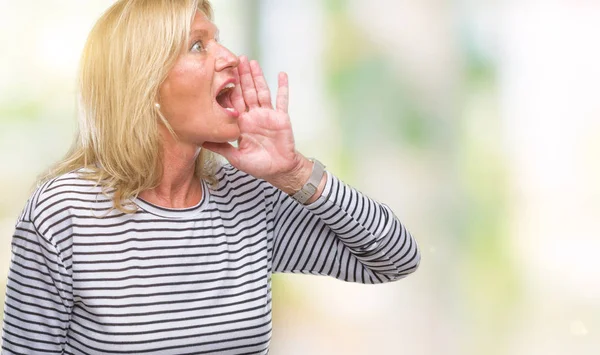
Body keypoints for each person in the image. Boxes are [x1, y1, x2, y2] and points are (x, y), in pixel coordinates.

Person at [0, 0, 420, 354]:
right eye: (198, 45)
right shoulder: (66, 212)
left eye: (217, 38)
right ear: (144, 83)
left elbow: (394, 259)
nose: (230, 57)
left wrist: (295, 172)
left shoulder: (247, 198)